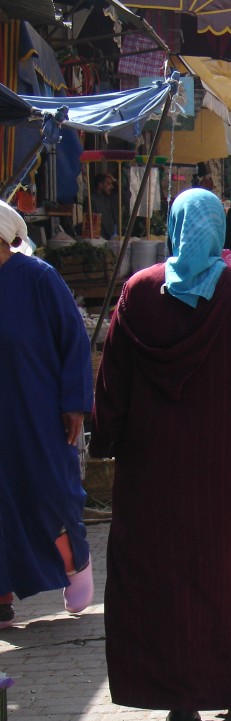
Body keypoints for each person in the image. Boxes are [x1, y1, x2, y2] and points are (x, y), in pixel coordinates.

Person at [89, 188, 231, 721]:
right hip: (225, 470)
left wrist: (104, 443)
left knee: (161, 579)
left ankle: (179, 698)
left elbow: (113, 380)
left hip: (152, 472)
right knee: (226, 576)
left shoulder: (138, 292)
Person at [0, 200, 94, 630]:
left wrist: (74, 402)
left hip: (36, 408)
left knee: (46, 492)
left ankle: (75, 562)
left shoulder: (39, 278)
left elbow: (72, 340)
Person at [91, 172, 119, 238]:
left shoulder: (109, 198)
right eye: (109, 184)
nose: (112, 187)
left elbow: (123, 194)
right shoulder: (91, 200)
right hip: (99, 239)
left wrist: (115, 181)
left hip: (111, 237)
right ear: (100, 185)